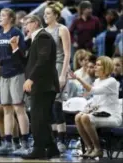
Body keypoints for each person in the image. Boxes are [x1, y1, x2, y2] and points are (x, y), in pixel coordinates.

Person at [18, 15, 60, 159]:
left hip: (44, 85)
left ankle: (39, 149)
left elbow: (43, 60)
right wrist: (15, 48)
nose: (25, 28)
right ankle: (52, 148)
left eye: (27, 24)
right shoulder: (35, 39)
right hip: (42, 85)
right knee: (41, 119)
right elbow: (27, 63)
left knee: (38, 119)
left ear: (35, 23)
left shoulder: (43, 37)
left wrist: (31, 78)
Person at [0, 8, 30, 155]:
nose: (0, 17)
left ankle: (25, 143)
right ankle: (8, 142)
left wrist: (0, 60)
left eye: (3, 15)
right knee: (6, 108)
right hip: (3, 75)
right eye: (0, 15)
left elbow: (21, 55)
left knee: (19, 108)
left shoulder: (16, 33)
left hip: (17, 73)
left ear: (11, 19)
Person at [72, 56, 122, 158]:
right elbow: (96, 101)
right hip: (99, 113)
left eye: (98, 65)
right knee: (78, 117)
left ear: (106, 67)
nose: (95, 67)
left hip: (112, 116)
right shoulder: (97, 81)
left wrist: (78, 79)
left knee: (85, 118)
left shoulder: (112, 81)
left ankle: (98, 149)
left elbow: (93, 91)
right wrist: (87, 109)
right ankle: (89, 148)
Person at [44, 1, 71, 153]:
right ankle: (52, 141)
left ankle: (62, 140)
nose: (45, 16)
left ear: (56, 15)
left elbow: (67, 53)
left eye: (48, 13)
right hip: (46, 70)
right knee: (48, 106)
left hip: (59, 66)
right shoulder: (43, 31)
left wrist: (63, 74)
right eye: (44, 13)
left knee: (56, 104)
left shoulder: (62, 29)